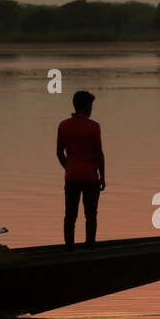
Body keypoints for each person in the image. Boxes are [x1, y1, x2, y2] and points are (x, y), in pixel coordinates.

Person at [56, 90, 105, 248]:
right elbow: (99, 154)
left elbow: (59, 152)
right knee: (90, 214)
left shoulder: (63, 125)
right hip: (90, 177)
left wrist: (68, 167)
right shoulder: (93, 126)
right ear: (86, 107)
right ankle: (90, 245)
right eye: (91, 106)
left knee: (70, 215)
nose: (92, 109)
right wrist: (102, 177)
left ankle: (69, 246)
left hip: (72, 177)